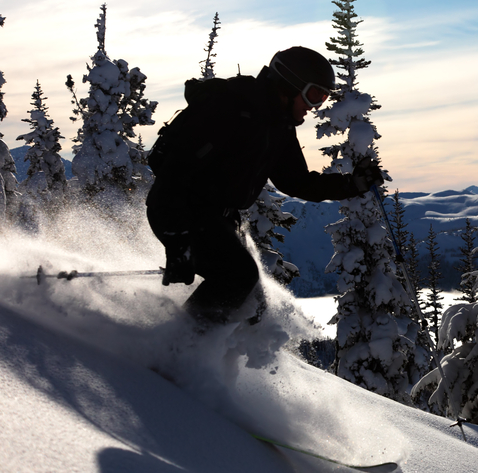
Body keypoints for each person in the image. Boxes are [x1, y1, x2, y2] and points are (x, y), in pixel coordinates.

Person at [146, 46, 382, 325]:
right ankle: (176, 351)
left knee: (251, 306)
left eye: (323, 97)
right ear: (289, 83)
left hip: (215, 217)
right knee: (237, 277)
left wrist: (352, 184)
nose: (315, 105)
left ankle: (208, 360)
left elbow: (296, 181)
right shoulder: (232, 108)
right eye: (314, 94)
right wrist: (178, 241)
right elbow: (175, 171)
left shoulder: (278, 125)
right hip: (179, 209)